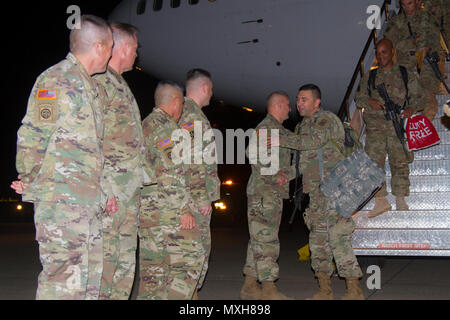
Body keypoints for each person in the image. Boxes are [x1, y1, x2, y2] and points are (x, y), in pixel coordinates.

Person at [11, 15, 113, 299]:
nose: (112, 53)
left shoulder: (90, 86)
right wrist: (31, 180)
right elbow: (33, 133)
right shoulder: (55, 80)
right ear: (99, 47)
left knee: (89, 287)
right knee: (63, 287)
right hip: (61, 206)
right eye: (111, 46)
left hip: (88, 205)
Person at [276, 84, 364, 300]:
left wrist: (282, 138)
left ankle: (354, 290)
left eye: (304, 99)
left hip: (335, 191)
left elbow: (313, 142)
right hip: (315, 195)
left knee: (338, 237)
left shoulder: (326, 119)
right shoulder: (302, 127)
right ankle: (324, 290)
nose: (299, 103)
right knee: (317, 242)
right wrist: (283, 176)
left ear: (317, 102)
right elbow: (299, 163)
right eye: (298, 99)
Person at [137, 81, 205, 300]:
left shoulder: (145, 125)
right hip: (168, 208)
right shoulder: (167, 129)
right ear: (176, 102)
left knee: (153, 273)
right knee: (191, 261)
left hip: (148, 210)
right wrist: (183, 209)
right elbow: (169, 172)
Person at [94, 22, 144, 300]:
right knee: (105, 268)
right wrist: (104, 189)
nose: (137, 54)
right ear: (123, 48)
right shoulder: (101, 83)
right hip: (111, 196)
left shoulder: (120, 85)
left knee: (123, 270)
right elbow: (91, 139)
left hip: (126, 196)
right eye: (135, 48)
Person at [355, 39, 423, 217]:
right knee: (373, 164)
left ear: (393, 52)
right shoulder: (369, 77)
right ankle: (380, 200)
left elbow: (418, 97)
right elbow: (359, 98)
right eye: (378, 53)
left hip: (396, 125)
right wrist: (370, 102)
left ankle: (400, 198)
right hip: (375, 128)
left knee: (399, 162)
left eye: (384, 52)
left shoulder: (405, 73)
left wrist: (411, 108)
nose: (380, 56)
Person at [240, 91, 295, 300]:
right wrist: (274, 177)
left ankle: (249, 286)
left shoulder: (278, 130)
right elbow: (252, 154)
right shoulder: (267, 128)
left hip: (269, 194)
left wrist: (284, 176)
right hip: (265, 194)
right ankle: (269, 289)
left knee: (259, 239)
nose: (290, 109)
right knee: (267, 241)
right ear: (279, 105)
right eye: (288, 105)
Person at [178, 68, 221, 299]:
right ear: (204, 88)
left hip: (188, 197)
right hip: (194, 200)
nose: (212, 95)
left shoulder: (183, 113)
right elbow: (192, 161)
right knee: (195, 254)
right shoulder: (192, 117)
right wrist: (203, 197)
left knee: (190, 254)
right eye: (211, 90)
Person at [384, 0, 442, 120]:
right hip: (406, 65)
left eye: (409, 3)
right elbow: (389, 44)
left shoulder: (428, 19)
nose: (406, 8)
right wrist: (411, 43)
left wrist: (428, 47)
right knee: (407, 98)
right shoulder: (396, 22)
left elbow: (435, 39)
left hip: (427, 64)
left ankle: (427, 127)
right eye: (403, 4)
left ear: (417, 2)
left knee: (427, 94)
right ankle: (410, 129)